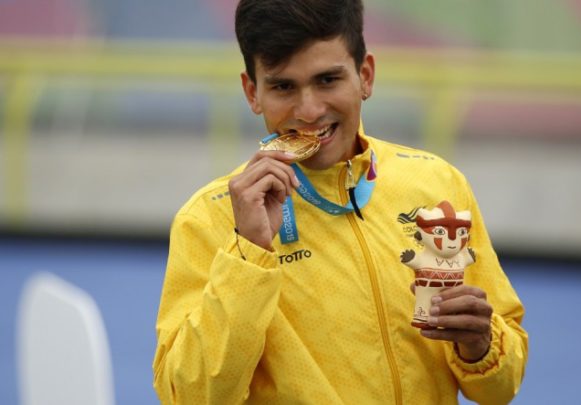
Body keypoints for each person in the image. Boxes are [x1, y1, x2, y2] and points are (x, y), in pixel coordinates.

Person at [152, 0, 528, 403]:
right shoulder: (210, 218)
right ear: (252, 92)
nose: (310, 111)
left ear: (365, 76)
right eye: (283, 86)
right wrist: (247, 252)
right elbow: (190, 396)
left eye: (328, 80)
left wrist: (481, 346)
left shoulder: (434, 185)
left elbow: (499, 388)